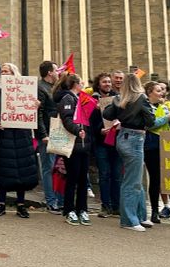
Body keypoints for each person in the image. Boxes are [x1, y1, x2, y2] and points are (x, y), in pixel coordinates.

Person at [103, 73, 155, 231]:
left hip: (123, 137)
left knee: (135, 179)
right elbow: (151, 121)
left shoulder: (119, 98)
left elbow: (107, 114)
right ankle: (129, 220)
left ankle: (139, 215)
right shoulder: (141, 98)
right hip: (135, 139)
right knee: (132, 181)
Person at [0, 62, 38, 218]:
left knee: (21, 171)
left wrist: (36, 105)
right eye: (2, 72)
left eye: (7, 71)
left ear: (14, 73)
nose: (4, 74)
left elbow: (32, 108)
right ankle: (1, 203)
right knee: (3, 170)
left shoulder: (26, 90)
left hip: (22, 135)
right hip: (4, 136)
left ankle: (21, 204)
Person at [55, 72, 90, 226]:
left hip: (84, 145)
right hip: (73, 145)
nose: (83, 85)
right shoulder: (67, 99)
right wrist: (77, 130)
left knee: (83, 179)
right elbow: (67, 119)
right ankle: (69, 209)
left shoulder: (81, 99)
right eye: (81, 82)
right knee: (73, 178)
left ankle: (82, 209)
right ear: (76, 84)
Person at [143, 81, 170, 224]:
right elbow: (150, 124)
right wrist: (167, 118)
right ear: (150, 92)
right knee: (155, 179)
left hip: (167, 145)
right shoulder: (146, 107)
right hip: (151, 146)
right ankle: (154, 211)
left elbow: (169, 125)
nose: (161, 93)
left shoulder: (164, 107)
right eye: (158, 90)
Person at [89, 72, 120, 217]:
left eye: (108, 81)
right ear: (98, 84)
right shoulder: (93, 99)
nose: (107, 84)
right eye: (104, 82)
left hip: (116, 141)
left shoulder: (118, 98)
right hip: (101, 142)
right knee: (104, 174)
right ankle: (105, 205)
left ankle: (117, 206)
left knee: (116, 174)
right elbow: (89, 123)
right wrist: (99, 130)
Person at [36, 60, 62, 214]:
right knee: (48, 167)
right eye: (56, 70)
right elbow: (39, 113)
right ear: (49, 73)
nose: (58, 72)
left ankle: (57, 199)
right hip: (48, 134)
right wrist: (43, 134)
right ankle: (51, 201)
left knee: (57, 167)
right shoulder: (41, 88)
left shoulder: (53, 88)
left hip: (57, 132)